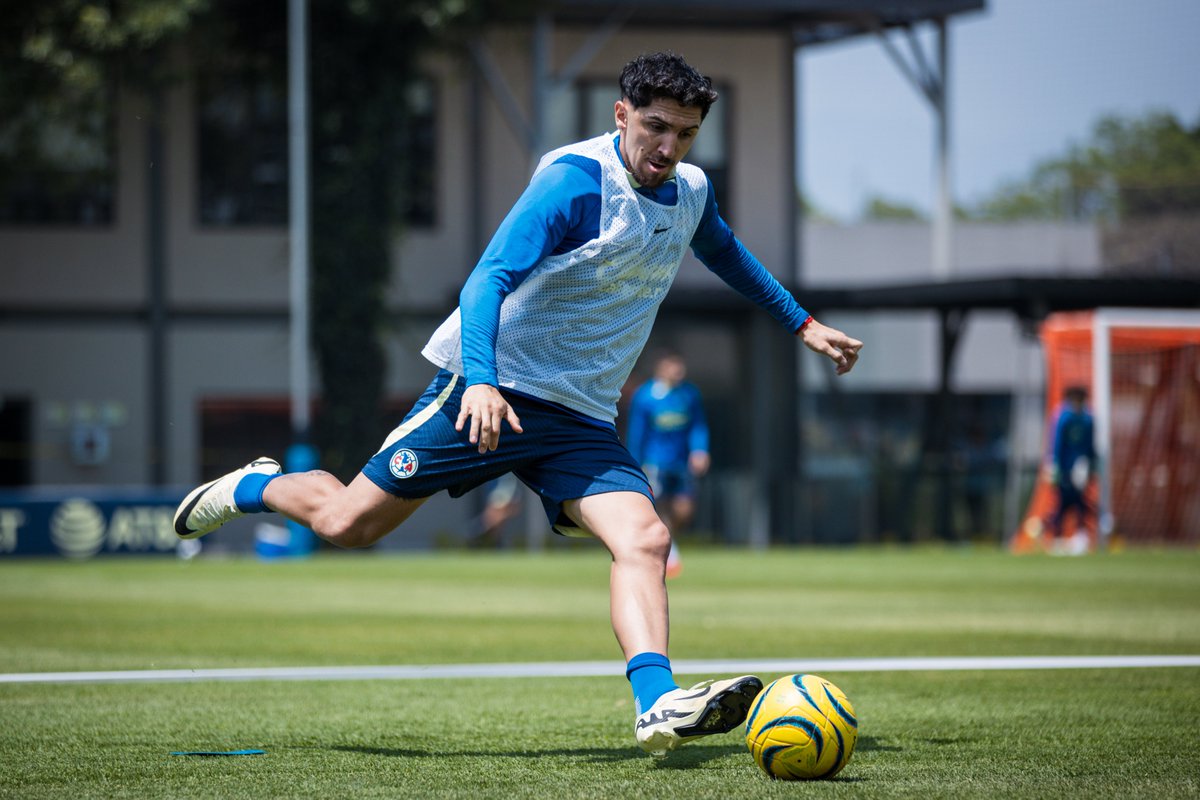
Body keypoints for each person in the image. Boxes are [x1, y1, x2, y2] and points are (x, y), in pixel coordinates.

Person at [174, 51, 863, 756]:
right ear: (620, 114)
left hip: (580, 418)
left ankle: (657, 703)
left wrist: (804, 325)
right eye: (655, 127)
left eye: (684, 134)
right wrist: (479, 379)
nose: (668, 147)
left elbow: (726, 253)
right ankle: (252, 485)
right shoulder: (573, 182)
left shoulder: (688, 190)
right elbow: (486, 280)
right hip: (490, 391)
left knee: (647, 539)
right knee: (348, 524)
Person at [626, 351, 710, 578]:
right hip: (655, 463)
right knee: (659, 506)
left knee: (684, 509)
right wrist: (635, 463)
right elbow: (637, 431)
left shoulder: (688, 394)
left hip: (681, 462)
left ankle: (670, 543)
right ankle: (670, 553)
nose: (678, 372)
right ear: (661, 368)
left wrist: (700, 450)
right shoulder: (645, 396)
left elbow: (698, 425)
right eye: (673, 367)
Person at [1045, 385, 1097, 552]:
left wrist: (1092, 465)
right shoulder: (1063, 418)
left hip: (1080, 468)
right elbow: (1057, 443)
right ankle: (1057, 538)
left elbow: (1090, 445)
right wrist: (1054, 465)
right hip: (1064, 469)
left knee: (1081, 503)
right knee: (1062, 503)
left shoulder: (1088, 419)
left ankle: (1080, 537)